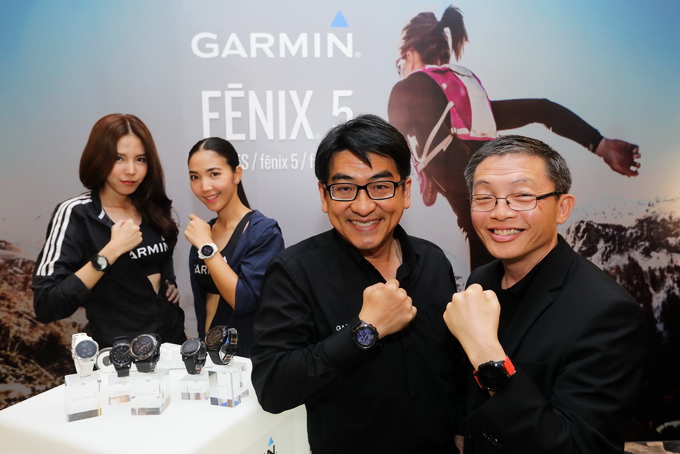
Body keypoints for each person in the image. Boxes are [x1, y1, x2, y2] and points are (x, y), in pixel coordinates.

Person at [250, 114, 464, 453]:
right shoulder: (295, 271)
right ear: (324, 196)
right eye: (345, 189)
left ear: (406, 191)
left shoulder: (433, 261)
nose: (363, 207)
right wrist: (365, 330)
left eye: (380, 187)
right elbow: (273, 387)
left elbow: (451, 366)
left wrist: (461, 430)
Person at [388, 6, 641, 270]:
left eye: (400, 65)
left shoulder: (406, 89)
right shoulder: (467, 101)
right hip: (507, 216)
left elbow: (389, 154)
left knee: (484, 282)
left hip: (478, 228)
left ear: (409, 54)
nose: (401, 70)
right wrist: (600, 144)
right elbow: (542, 109)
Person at [443, 135, 646, 453]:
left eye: (522, 196)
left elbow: (581, 446)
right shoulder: (481, 279)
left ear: (562, 208)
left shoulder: (607, 312)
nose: (500, 212)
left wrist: (486, 354)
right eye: (484, 197)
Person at [32, 113, 185, 347]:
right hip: (116, 356)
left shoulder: (154, 207)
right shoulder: (76, 213)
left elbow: (160, 257)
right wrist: (110, 252)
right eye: (119, 158)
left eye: (141, 159)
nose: (131, 170)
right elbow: (47, 304)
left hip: (171, 347)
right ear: (99, 158)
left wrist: (169, 282)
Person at [185, 137, 284, 356]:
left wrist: (207, 247)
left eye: (214, 174)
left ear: (236, 174)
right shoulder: (205, 231)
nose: (204, 187)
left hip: (246, 358)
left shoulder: (263, 232)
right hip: (209, 356)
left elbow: (244, 301)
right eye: (195, 177)